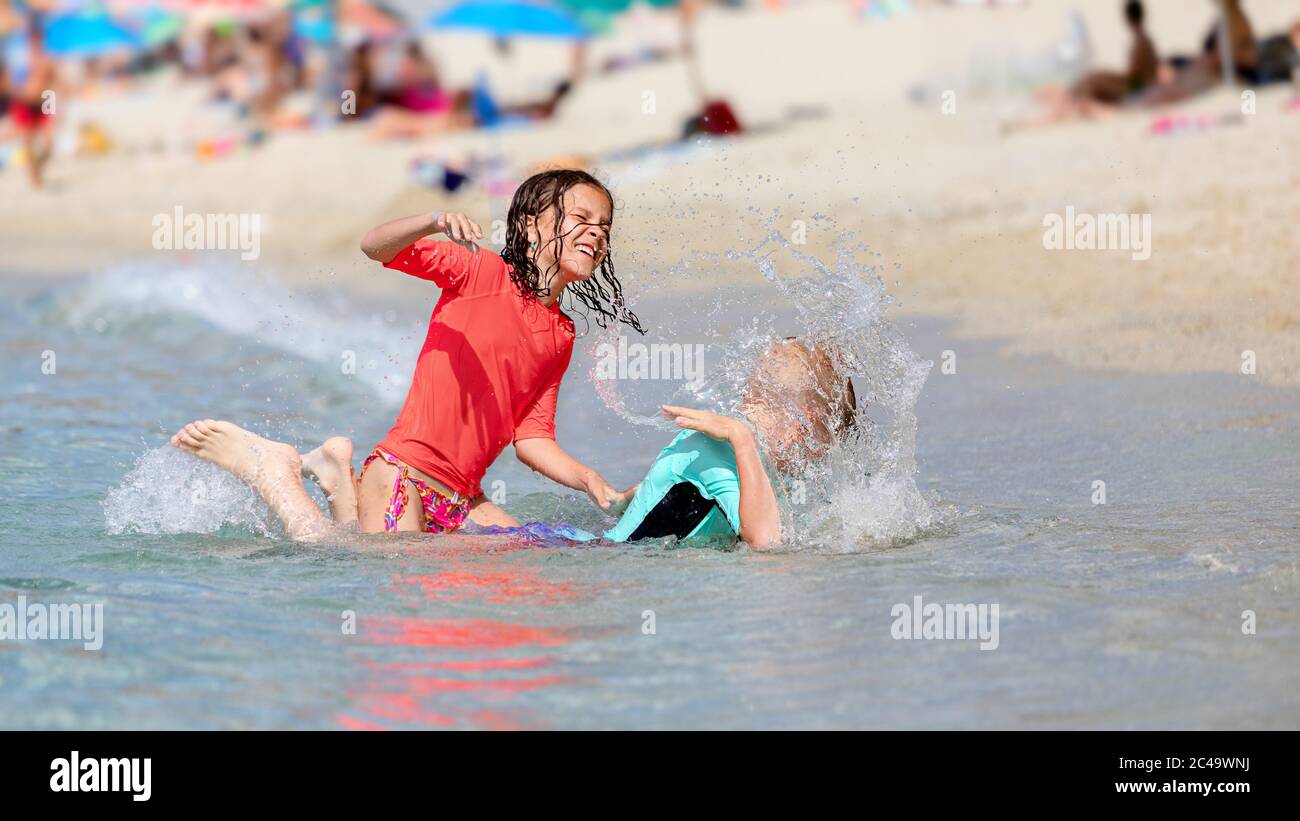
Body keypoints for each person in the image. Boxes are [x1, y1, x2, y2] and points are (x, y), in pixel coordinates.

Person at [167, 339, 859, 551]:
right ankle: (276, 475)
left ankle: (333, 471)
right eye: (825, 441)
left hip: (576, 541)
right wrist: (738, 435)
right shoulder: (732, 450)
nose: (819, 462)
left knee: (392, 546)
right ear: (798, 428)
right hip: (585, 556)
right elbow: (769, 549)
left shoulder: (750, 462)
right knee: (373, 560)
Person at [1005, 1, 1158, 131]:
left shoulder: (1140, 42)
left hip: (1133, 85)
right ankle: (1062, 100)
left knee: (1093, 79)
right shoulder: (1145, 40)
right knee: (1093, 77)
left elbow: (1137, 78)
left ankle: (1058, 108)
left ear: (1128, 18)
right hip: (1134, 83)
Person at [8, 19, 57, 189]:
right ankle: (35, 179)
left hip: (44, 100)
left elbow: (52, 85)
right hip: (24, 102)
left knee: (49, 144)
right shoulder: (19, 57)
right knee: (28, 144)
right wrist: (17, 98)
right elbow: (10, 83)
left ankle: (38, 170)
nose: (36, 40)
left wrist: (53, 107)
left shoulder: (48, 59)